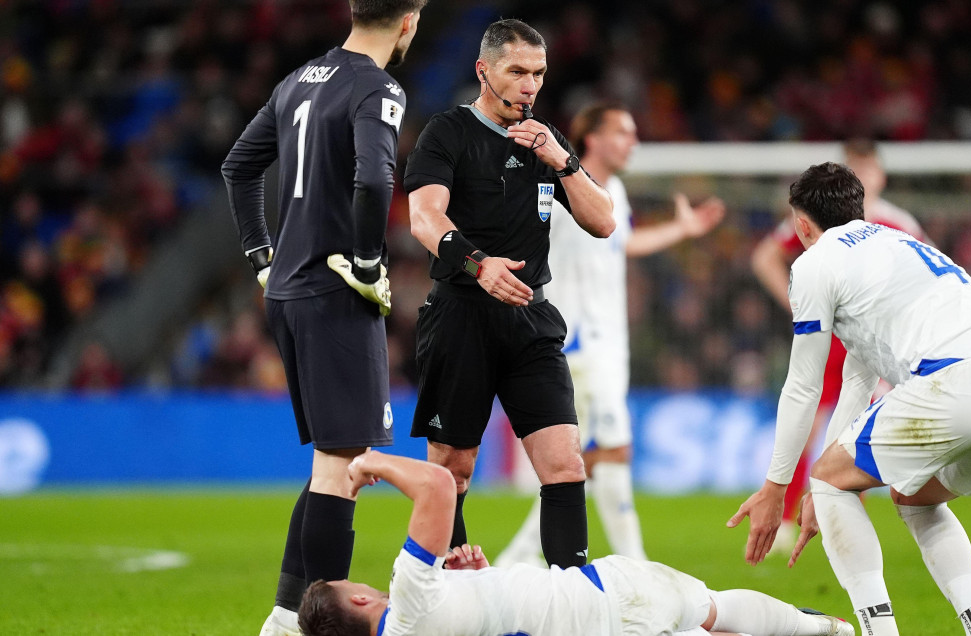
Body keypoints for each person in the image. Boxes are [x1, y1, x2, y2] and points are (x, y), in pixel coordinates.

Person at [729, 162, 971, 636]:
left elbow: (803, 385)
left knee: (833, 481)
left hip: (959, 384)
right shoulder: (899, 242)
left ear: (801, 224)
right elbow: (859, 380)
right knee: (913, 496)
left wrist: (778, 487)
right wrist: (831, 479)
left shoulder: (814, 264)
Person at [220, 1, 427, 633]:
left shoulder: (298, 79)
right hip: (333, 292)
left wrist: (263, 254)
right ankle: (316, 628)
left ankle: (285, 620)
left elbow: (238, 167)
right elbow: (374, 178)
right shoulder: (378, 87)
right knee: (343, 466)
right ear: (408, 22)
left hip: (288, 289)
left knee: (330, 465)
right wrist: (367, 263)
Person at [402, 19, 615, 569]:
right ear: (484, 70)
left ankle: (574, 598)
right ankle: (449, 591)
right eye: (516, 71)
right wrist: (478, 265)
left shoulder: (547, 141)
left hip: (530, 320)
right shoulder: (447, 132)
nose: (529, 85)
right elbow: (424, 218)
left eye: (538, 74)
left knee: (566, 463)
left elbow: (604, 221)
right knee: (454, 466)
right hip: (460, 314)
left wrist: (563, 161)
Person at [497, 102, 725, 566]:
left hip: (608, 344)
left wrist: (679, 230)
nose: (633, 142)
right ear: (592, 138)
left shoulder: (613, 190)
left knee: (581, 462)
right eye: (623, 132)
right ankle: (638, 566)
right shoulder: (557, 187)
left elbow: (622, 243)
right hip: (576, 341)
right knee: (611, 450)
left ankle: (517, 559)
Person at [296, 450, 854, 636]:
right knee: (715, 606)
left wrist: (481, 585)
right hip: (606, 591)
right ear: (363, 601)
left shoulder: (426, 615)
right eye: (357, 585)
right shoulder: (409, 598)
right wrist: (373, 463)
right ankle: (826, 628)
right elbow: (438, 485)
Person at [749, 140, 926, 551]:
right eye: (857, 168)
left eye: (870, 168)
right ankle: (792, 516)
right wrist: (798, 306)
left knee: (859, 430)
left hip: (878, 342)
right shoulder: (823, 222)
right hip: (831, 339)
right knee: (811, 424)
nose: (865, 175)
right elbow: (765, 257)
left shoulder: (900, 223)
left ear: (881, 176)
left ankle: (840, 521)